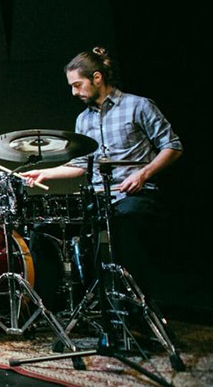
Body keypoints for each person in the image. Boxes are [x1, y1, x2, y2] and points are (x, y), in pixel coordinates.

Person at [21, 47, 182, 295]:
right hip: (98, 198)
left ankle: (134, 300)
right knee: (43, 229)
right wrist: (44, 173)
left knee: (123, 221)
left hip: (135, 196)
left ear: (97, 78)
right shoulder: (83, 120)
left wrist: (143, 174)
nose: (74, 92)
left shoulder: (138, 106)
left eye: (77, 85)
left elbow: (172, 146)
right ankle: (55, 304)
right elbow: (80, 165)